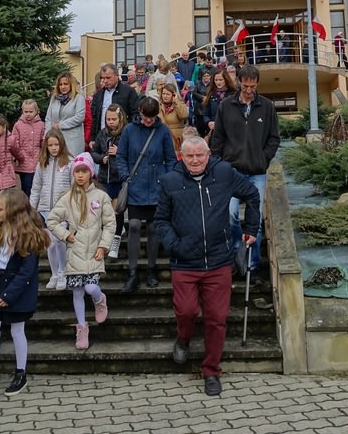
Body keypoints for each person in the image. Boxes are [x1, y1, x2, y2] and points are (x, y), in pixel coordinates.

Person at [154, 136, 259, 397]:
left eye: (200, 155)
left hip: (218, 260)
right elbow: (161, 221)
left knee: (216, 318)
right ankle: (184, 338)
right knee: (187, 311)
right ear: (182, 156)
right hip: (184, 262)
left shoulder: (223, 173)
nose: (195, 160)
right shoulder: (170, 181)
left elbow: (251, 194)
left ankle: (211, 371)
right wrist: (175, 245)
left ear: (208, 154)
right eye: (190, 156)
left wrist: (250, 228)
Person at [0, 189, 49, 399]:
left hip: (17, 288)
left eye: (0, 209)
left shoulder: (28, 235)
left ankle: (20, 373)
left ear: (13, 210)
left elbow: (26, 272)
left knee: (17, 330)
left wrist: (10, 295)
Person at [210, 64, 280, 284]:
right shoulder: (225, 106)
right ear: (239, 82)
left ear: (257, 83)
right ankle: (236, 256)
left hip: (256, 172)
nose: (249, 89)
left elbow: (274, 138)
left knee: (255, 221)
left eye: (253, 85)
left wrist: (263, 158)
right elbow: (217, 139)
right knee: (230, 215)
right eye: (246, 85)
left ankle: (251, 264)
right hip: (231, 171)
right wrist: (219, 163)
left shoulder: (267, 106)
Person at [47, 153, 116, 351]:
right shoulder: (67, 198)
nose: (80, 175)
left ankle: (99, 299)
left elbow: (110, 223)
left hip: (94, 251)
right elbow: (51, 219)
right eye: (77, 171)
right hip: (75, 252)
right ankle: (82, 328)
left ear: (90, 173)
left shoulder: (101, 197)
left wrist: (103, 246)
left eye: (84, 171)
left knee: (91, 288)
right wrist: (65, 234)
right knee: (77, 291)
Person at [116, 97, 176, 293]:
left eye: (151, 118)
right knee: (133, 226)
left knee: (153, 228)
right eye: (145, 117)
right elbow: (121, 157)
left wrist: (167, 181)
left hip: (157, 186)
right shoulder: (129, 130)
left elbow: (171, 159)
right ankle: (132, 273)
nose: (148, 121)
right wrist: (126, 176)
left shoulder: (163, 131)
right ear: (139, 112)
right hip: (136, 184)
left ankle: (151, 270)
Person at [29, 128, 73, 289]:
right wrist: (32, 209)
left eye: (56, 144)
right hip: (45, 209)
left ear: (61, 144)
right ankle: (54, 273)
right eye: (50, 145)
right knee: (50, 243)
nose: (54, 148)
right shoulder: (42, 164)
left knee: (59, 240)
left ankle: (63, 271)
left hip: (62, 211)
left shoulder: (70, 162)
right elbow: (36, 187)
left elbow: (74, 188)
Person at [91, 103, 128, 259]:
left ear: (120, 119)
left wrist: (119, 152)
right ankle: (105, 240)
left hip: (118, 178)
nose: (111, 122)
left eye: (114, 119)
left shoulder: (126, 134)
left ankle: (115, 242)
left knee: (117, 211)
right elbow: (94, 152)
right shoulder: (102, 134)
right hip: (104, 178)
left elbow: (132, 152)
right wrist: (101, 158)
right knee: (104, 212)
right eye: (108, 119)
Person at [45, 72, 86, 157]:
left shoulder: (78, 98)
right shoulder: (54, 99)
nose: (63, 87)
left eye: (66, 84)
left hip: (72, 141)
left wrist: (61, 125)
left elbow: (79, 118)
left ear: (71, 84)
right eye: (60, 84)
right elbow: (48, 118)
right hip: (56, 140)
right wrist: (47, 135)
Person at [12, 99, 45, 198]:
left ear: (36, 111)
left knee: (35, 186)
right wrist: (16, 156)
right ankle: (26, 207)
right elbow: (14, 142)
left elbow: (42, 142)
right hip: (23, 161)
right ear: (22, 111)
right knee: (26, 186)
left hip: (36, 160)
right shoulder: (18, 125)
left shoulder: (41, 125)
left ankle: (34, 207)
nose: (28, 114)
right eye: (26, 112)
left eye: (31, 112)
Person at [202, 69, 236, 139]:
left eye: (220, 80)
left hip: (230, 132)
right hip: (215, 133)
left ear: (226, 80)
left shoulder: (233, 95)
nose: (218, 82)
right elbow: (205, 114)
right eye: (216, 80)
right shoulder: (211, 94)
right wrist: (209, 122)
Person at [158, 83, 189, 156]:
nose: (165, 96)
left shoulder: (179, 104)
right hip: (161, 136)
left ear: (173, 95)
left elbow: (184, 115)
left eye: (168, 94)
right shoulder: (158, 105)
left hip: (176, 138)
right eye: (163, 94)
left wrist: (176, 102)